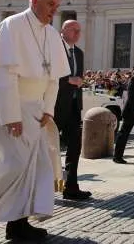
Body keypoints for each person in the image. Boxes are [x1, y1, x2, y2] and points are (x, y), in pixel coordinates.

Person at [0, 0, 71, 241]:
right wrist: (10, 115)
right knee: (10, 166)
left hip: (35, 109)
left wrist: (48, 108)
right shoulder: (11, 26)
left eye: (56, 6)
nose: (54, 10)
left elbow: (54, 78)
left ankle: (18, 224)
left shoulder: (51, 34)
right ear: (34, 1)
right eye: (50, 4)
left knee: (34, 168)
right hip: (9, 105)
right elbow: (2, 76)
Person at [54, 20, 91, 200]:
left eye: (79, 30)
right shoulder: (54, 48)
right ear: (63, 30)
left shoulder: (79, 52)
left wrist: (77, 81)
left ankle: (70, 187)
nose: (77, 33)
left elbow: (79, 77)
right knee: (49, 149)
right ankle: (48, 188)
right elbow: (48, 74)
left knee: (75, 147)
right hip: (54, 106)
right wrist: (68, 80)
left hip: (74, 106)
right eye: (73, 29)